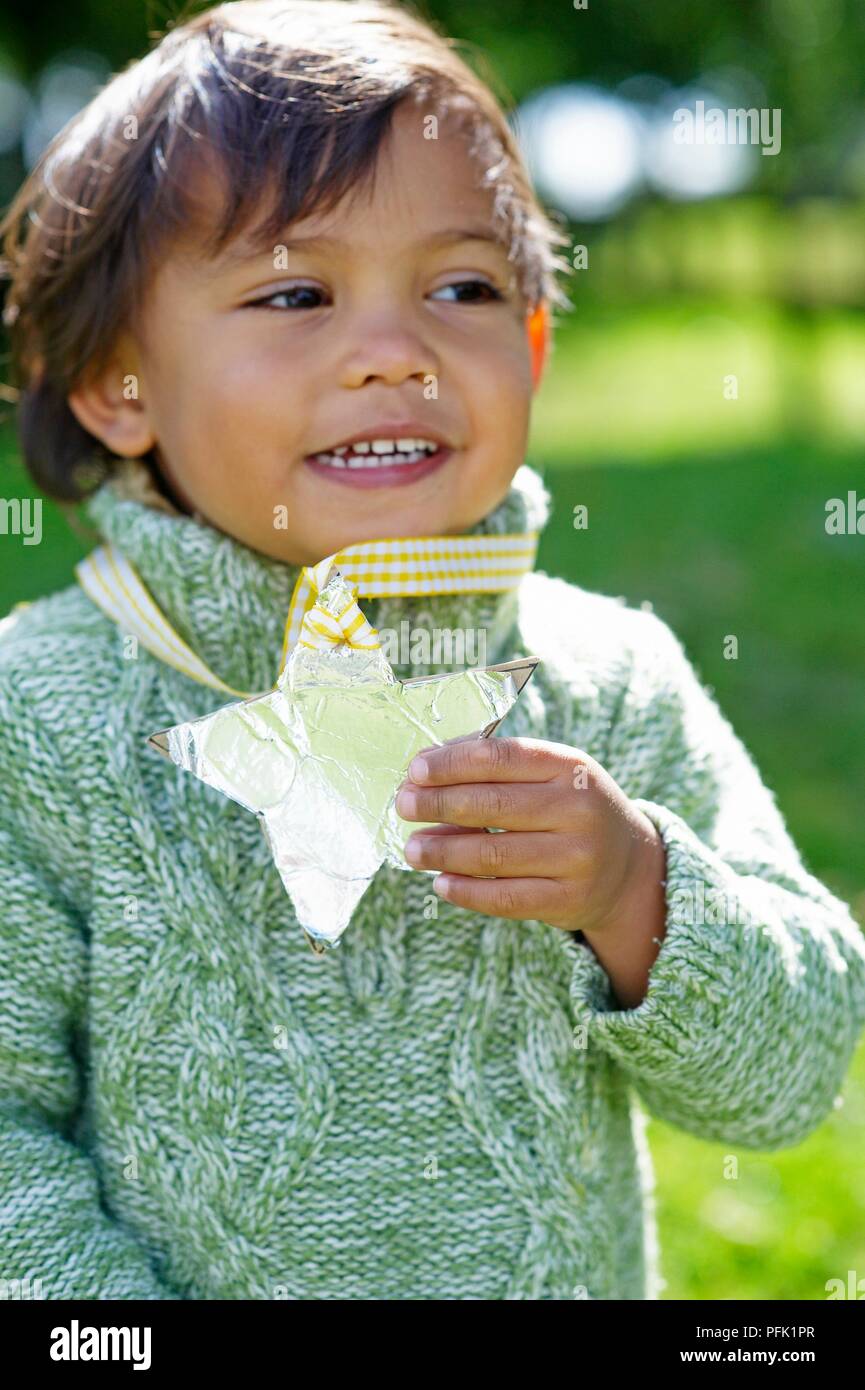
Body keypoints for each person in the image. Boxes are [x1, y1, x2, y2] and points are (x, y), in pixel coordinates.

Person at [0, 0, 863, 1302]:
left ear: (530, 344)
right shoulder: (39, 716)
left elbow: (788, 1075)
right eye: (294, 292)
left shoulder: (604, 678)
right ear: (118, 381)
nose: (395, 353)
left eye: (461, 288)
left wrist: (635, 893)